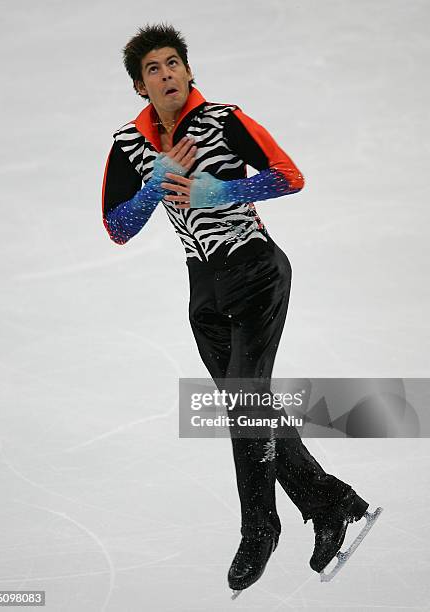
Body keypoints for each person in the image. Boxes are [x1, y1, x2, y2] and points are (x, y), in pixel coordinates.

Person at [102, 23, 375, 594]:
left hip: (255, 271)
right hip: (204, 291)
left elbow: (290, 176)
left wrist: (218, 192)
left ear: (188, 69)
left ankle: (260, 528)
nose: (167, 74)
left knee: (245, 399)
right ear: (139, 86)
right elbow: (116, 228)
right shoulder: (129, 144)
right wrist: (155, 186)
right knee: (250, 406)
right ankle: (330, 503)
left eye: (174, 62)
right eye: (153, 69)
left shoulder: (224, 120)